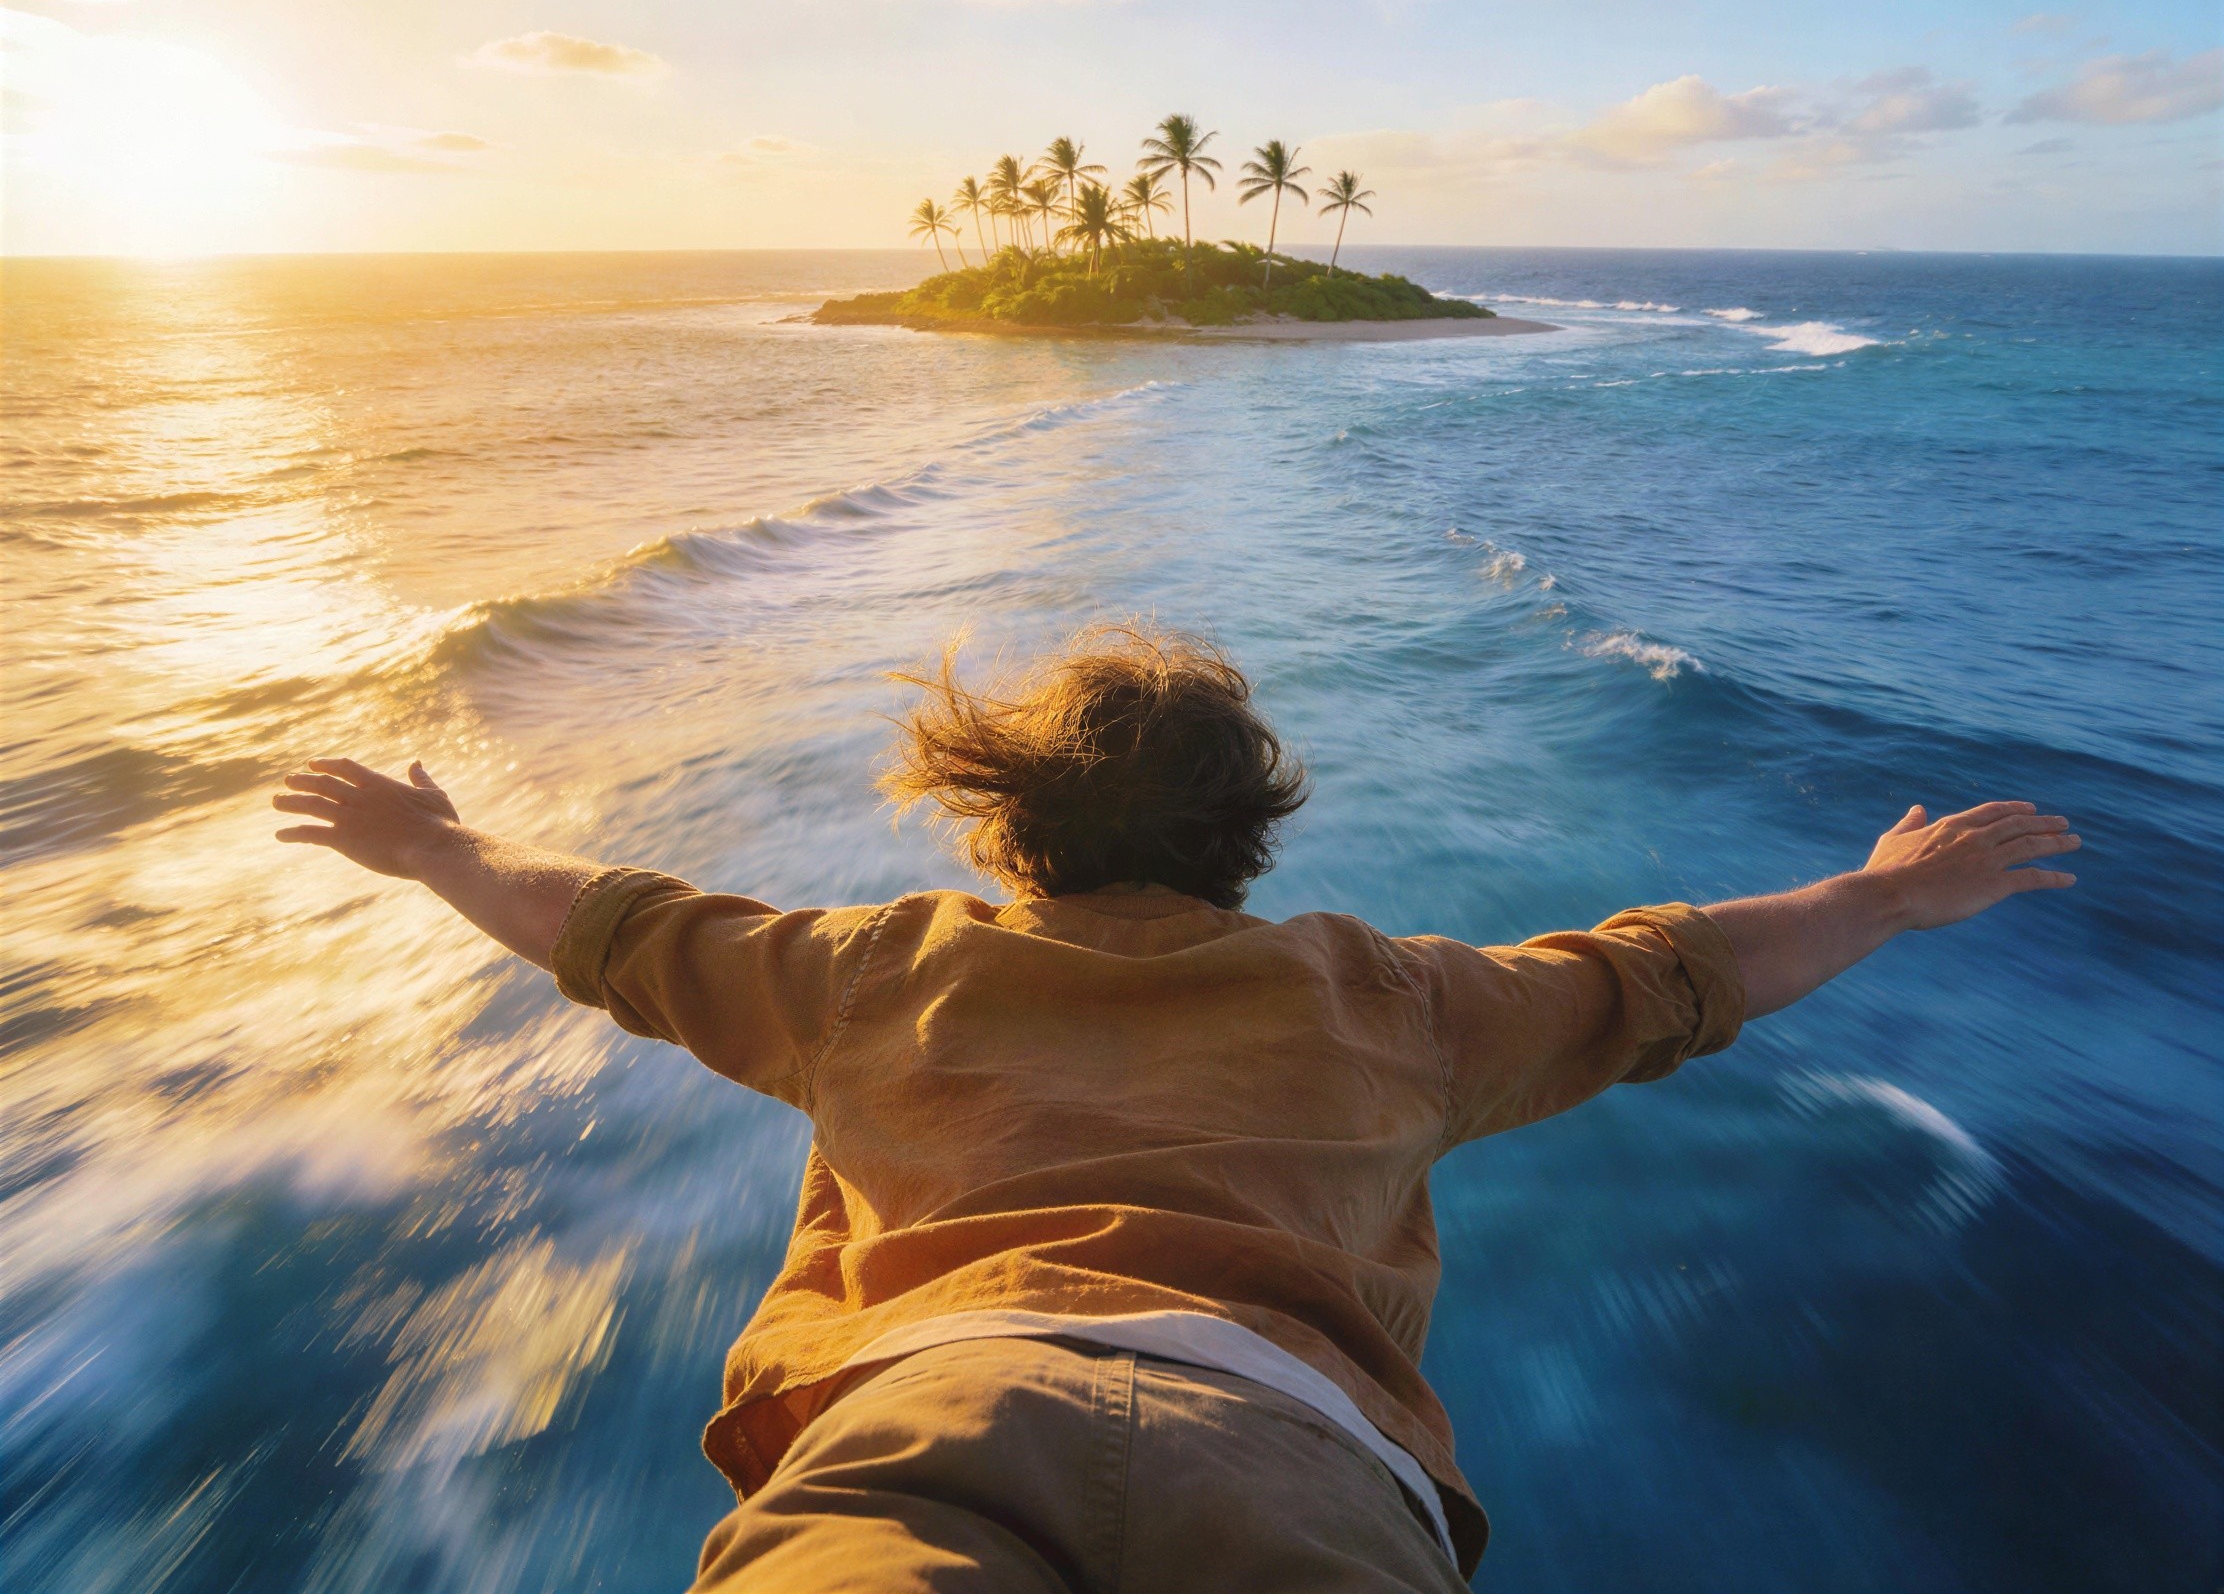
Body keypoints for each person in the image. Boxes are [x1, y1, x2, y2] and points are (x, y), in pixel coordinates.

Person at [271, 627, 2079, 1592]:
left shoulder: (871, 967)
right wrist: (1877, 898)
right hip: (1293, 1452)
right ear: (1251, 838)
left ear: (1004, 827)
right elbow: (1658, 973)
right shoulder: (1396, 996)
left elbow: (604, 923)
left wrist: (432, 842)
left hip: (928, 1419)